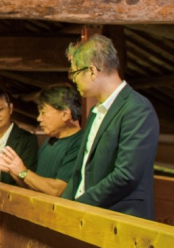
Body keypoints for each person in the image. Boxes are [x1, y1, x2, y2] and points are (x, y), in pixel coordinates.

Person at [64, 34, 160, 219]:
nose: (73, 80)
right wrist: (64, 207)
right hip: (89, 215)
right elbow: (80, 171)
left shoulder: (137, 108)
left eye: (74, 73)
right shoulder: (95, 112)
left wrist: (80, 205)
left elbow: (126, 175)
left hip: (120, 219)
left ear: (92, 71)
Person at [0, 84, 83, 197]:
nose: (39, 118)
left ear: (65, 114)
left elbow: (58, 190)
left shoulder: (79, 142)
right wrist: (13, 171)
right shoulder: (49, 142)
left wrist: (23, 172)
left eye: (43, 112)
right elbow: (34, 187)